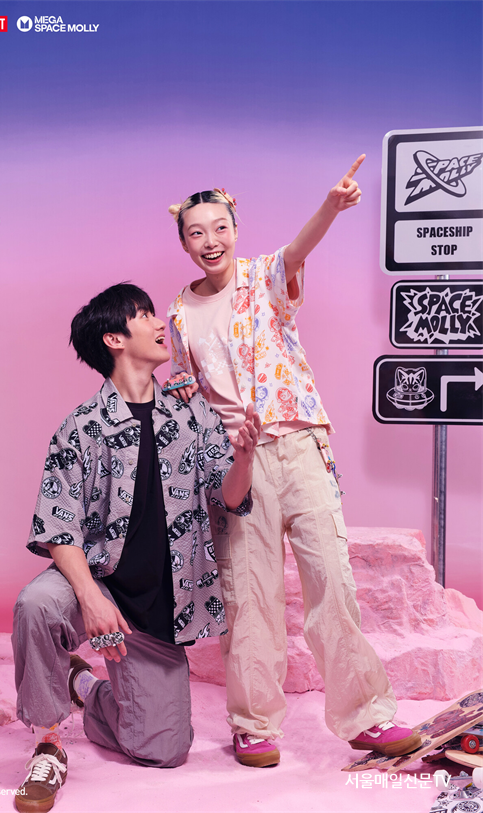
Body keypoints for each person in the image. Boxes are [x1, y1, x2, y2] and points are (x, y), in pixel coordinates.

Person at [165, 157, 421, 768]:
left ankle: (368, 717)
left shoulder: (263, 277)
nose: (210, 241)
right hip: (239, 465)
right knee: (249, 597)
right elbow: (188, 392)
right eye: (196, 232)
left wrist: (331, 206)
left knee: (332, 581)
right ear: (183, 243)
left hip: (300, 446)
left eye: (220, 227)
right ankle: (253, 726)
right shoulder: (178, 314)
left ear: (236, 229)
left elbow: (298, 249)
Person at [12, 283, 260, 811]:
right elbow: (58, 526)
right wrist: (91, 598)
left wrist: (243, 458)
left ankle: (86, 689)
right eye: (145, 315)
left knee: (166, 750)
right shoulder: (81, 427)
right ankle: (48, 744)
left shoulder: (191, 413)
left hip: (157, 608)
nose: (158, 322)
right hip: (96, 580)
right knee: (36, 604)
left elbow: (231, 498)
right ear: (115, 339)